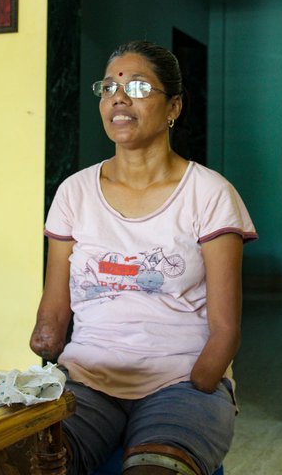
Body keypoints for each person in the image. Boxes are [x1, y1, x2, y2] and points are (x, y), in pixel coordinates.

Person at [30, 40, 258, 475]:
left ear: (173, 107)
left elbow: (226, 329)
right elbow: (54, 310)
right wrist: (37, 376)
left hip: (180, 380)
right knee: (28, 462)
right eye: (109, 87)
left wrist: (200, 388)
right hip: (88, 376)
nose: (118, 96)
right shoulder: (74, 192)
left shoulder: (209, 194)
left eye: (137, 86)